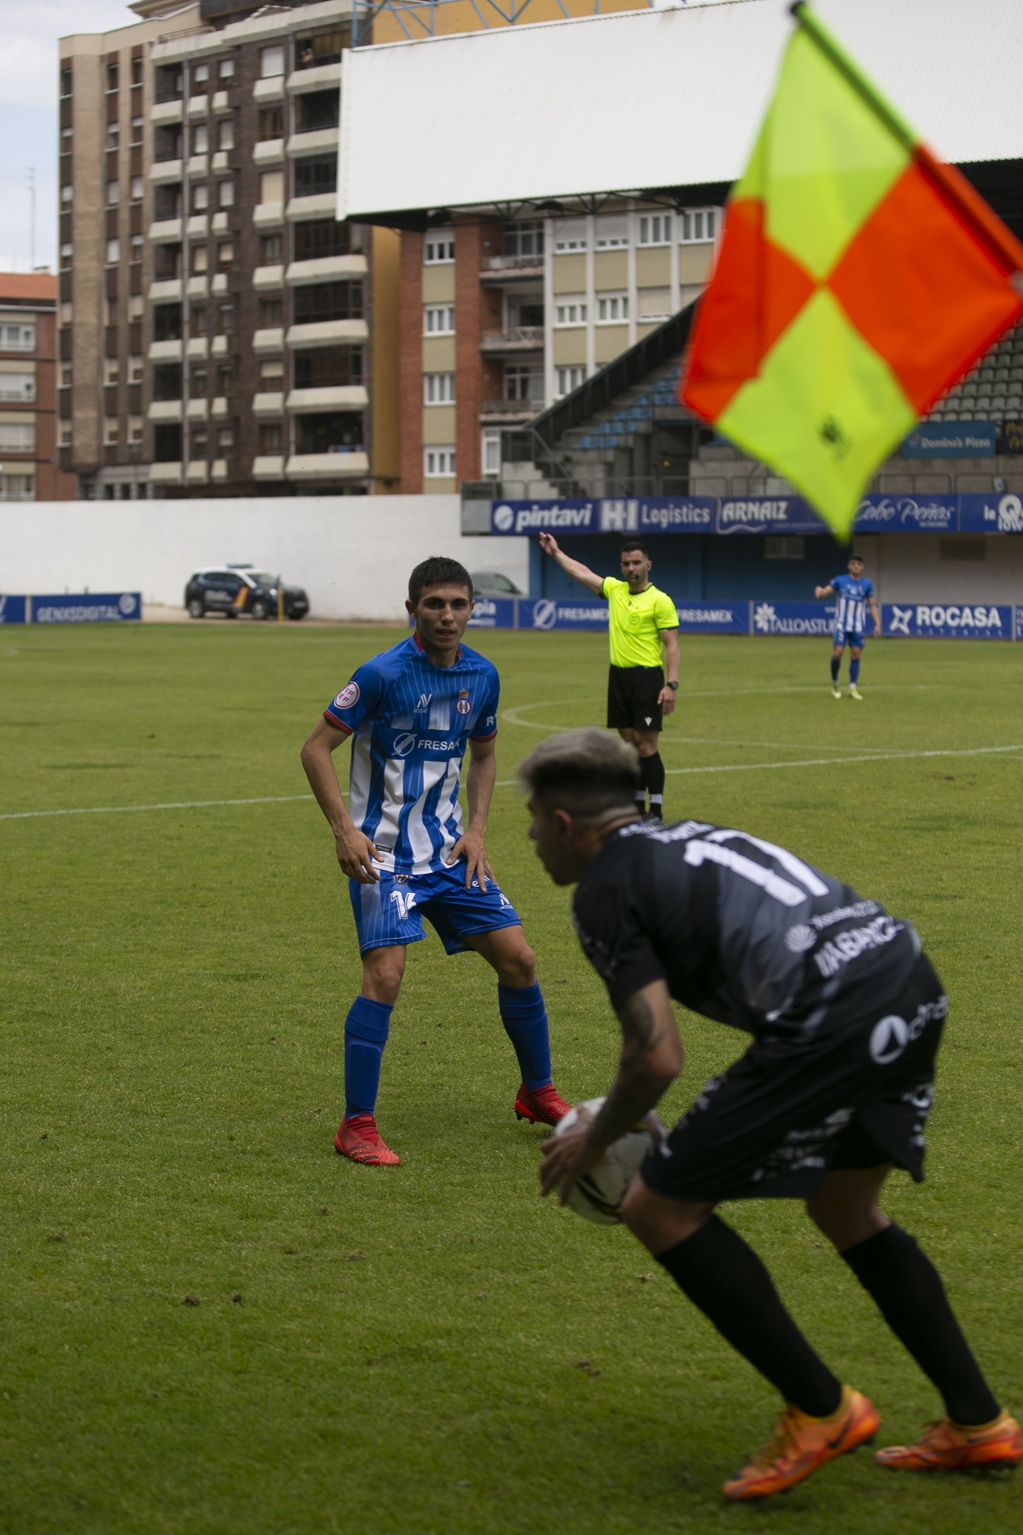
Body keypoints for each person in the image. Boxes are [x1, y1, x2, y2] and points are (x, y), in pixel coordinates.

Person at [521, 727, 1020, 1502]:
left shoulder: (606, 887)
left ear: (564, 825)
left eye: (531, 822)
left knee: (659, 1205)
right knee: (845, 1205)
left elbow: (655, 1057)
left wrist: (597, 1134)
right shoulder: (684, 836)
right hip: (906, 980)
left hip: (833, 1017)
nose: (528, 839)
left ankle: (821, 1409)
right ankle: (979, 1423)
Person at [300, 556, 568, 1166]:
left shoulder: (483, 676)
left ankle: (538, 1091)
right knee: (386, 977)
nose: (447, 616)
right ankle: (356, 1126)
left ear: (473, 609)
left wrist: (477, 830)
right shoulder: (380, 673)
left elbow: (484, 756)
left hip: (448, 852)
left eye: (458, 605)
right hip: (384, 855)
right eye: (434, 605)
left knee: (520, 959)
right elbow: (315, 749)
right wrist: (343, 830)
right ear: (412, 609)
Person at [538, 532, 679, 820]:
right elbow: (582, 573)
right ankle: (638, 806)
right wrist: (556, 553)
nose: (631, 569)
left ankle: (657, 811)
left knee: (647, 745)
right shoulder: (615, 590)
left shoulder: (660, 600)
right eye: (626, 564)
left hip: (647, 677)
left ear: (648, 565)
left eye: (636, 563)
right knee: (629, 744)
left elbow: (672, 645)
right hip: (618, 678)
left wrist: (671, 685)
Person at [815, 553, 881, 701]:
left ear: (862, 567)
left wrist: (877, 623)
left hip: (857, 626)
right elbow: (827, 590)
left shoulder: (867, 585)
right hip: (841, 625)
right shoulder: (840, 580)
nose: (856, 566)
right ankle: (835, 684)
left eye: (859, 564)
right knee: (838, 653)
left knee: (856, 654)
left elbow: (871, 605)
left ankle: (852, 688)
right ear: (849, 566)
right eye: (853, 564)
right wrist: (821, 592)